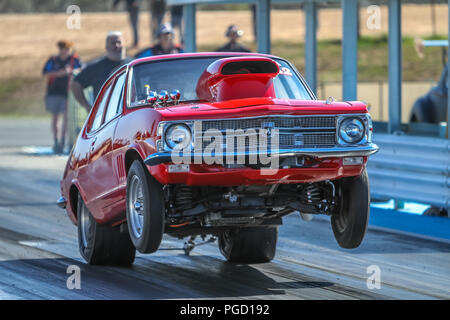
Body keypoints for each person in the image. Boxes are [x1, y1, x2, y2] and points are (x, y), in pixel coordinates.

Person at [71, 31, 131, 112]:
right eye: (113, 43)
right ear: (106, 47)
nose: (116, 45)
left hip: (129, 111)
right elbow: (76, 84)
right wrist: (87, 106)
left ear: (124, 44)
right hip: (104, 115)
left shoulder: (133, 65)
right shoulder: (96, 67)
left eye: (119, 42)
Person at [42, 40, 82, 154]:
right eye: (63, 49)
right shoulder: (53, 60)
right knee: (55, 118)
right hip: (54, 92)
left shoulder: (74, 60)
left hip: (68, 92)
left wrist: (71, 71)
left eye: (67, 49)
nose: (65, 51)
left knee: (66, 118)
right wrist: (59, 73)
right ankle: (56, 141)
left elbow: (83, 69)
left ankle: (63, 141)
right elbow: (45, 72)